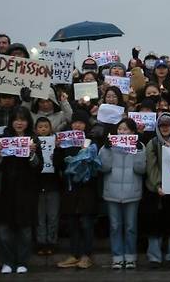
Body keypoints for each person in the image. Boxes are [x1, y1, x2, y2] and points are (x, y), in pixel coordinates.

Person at [0, 106, 43, 274]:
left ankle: (22, 261)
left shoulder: (33, 139)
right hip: (4, 190)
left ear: (28, 122)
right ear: (11, 120)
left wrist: (32, 154)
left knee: (25, 230)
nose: (19, 123)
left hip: (26, 190)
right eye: (16, 119)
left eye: (23, 119)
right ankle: (7, 261)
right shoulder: (0, 138)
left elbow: (38, 167)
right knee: (3, 229)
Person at [99, 118, 147, 270]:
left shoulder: (140, 146)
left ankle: (131, 257)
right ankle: (117, 257)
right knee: (114, 226)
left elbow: (141, 169)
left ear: (133, 132)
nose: (122, 132)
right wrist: (107, 149)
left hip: (132, 192)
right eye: (120, 129)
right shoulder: (107, 146)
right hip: (112, 192)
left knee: (130, 226)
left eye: (126, 129)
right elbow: (104, 168)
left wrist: (139, 150)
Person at [54, 110, 98, 270]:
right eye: (75, 122)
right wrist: (58, 149)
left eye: (81, 122)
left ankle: (86, 256)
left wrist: (85, 153)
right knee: (72, 223)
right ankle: (74, 254)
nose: (77, 125)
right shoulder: (65, 141)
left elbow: (95, 166)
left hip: (87, 188)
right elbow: (58, 165)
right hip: (70, 188)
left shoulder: (91, 141)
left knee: (86, 223)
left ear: (85, 124)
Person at [143, 113, 170, 268]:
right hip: (156, 192)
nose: (165, 128)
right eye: (162, 125)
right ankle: (154, 256)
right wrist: (158, 185)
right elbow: (151, 166)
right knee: (155, 225)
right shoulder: (152, 143)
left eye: (168, 125)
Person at [34, 117, 60, 256]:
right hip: (37, 186)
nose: (43, 129)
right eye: (40, 127)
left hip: (53, 185)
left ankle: (52, 242)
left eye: (46, 126)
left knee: (53, 216)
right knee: (39, 218)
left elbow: (60, 163)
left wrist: (57, 149)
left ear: (50, 128)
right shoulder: (32, 143)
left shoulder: (56, 142)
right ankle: (41, 243)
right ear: (35, 129)